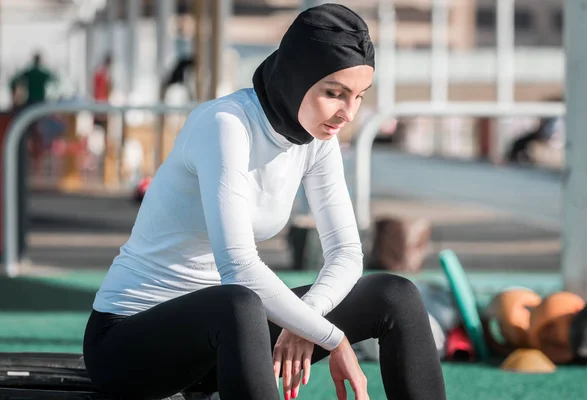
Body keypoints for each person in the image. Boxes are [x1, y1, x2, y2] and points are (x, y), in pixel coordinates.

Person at [83, 4, 446, 400]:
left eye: (358, 96)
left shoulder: (317, 139)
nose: (348, 113)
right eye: (334, 94)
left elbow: (345, 252)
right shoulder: (226, 125)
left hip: (230, 342)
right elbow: (238, 266)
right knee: (240, 303)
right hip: (131, 345)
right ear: (296, 77)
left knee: (396, 297)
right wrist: (331, 337)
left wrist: (307, 317)